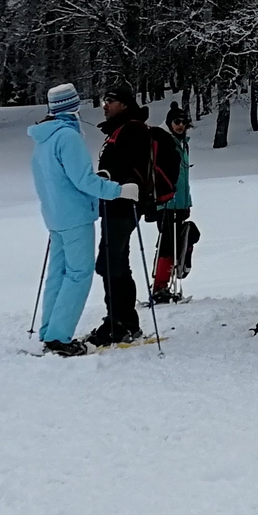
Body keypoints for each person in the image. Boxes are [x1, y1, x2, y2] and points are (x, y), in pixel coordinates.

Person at [29, 84, 136, 356]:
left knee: (58, 274)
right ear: (72, 106)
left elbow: (56, 179)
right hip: (75, 216)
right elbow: (82, 180)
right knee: (78, 275)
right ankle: (59, 337)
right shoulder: (67, 136)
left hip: (55, 215)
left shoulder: (44, 138)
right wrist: (119, 191)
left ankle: (49, 330)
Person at [89, 83, 158, 346]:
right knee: (116, 262)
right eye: (105, 100)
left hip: (123, 204)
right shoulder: (123, 128)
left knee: (110, 262)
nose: (105, 105)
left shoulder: (132, 129)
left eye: (111, 100)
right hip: (117, 203)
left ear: (125, 104)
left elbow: (128, 167)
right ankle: (125, 320)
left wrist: (106, 180)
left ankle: (118, 322)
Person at [151, 103, 196, 305]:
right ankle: (160, 286)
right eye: (176, 122)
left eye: (184, 122)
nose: (180, 125)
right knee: (168, 244)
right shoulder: (165, 142)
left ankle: (168, 280)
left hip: (180, 202)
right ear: (169, 123)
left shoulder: (181, 143)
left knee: (184, 236)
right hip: (167, 203)